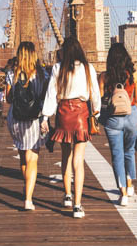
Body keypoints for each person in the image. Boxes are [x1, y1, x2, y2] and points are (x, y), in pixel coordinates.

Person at [41, 36, 101, 218]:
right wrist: (96, 113)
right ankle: (77, 205)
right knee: (79, 160)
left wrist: (45, 116)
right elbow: (95, 94)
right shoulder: (89, 68)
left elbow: (52, 94)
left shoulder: (58, 68)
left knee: (65, 155)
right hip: (81, 114)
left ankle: (67, 195)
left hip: (63, 113)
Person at [6, 41, 49, 211]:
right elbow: (45, 97)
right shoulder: (42, 74)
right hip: (33, 119)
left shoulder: (12, 73)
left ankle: (27, 187)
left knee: (23, 156)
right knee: (33, 158)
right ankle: (28, 199)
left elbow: (8, 99)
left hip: (15, 119)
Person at [98, 43, 137, 206]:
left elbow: (100, 101)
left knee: (117, 155)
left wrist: (100, 120)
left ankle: (123, 192)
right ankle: (130, 184)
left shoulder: (104, 76)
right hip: (131, 115)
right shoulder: (134, 74)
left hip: (113, 118)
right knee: (129, 151)